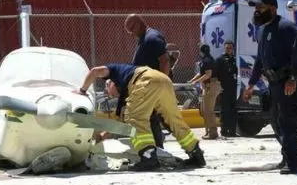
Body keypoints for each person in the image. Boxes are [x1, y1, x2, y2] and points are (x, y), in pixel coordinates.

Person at [77, 63, 206, 171]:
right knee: (172, 119)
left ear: (111, 83)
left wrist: (82, 91)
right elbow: (121, 123)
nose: (109, 94)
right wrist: (102, 136)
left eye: (108, 91)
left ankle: (148, 157)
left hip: (145, 80)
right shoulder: (126, 89)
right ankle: (195, 153)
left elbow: (94, 71)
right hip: (164, 80)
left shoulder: (115, 71)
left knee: (135, 118)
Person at [242, 0, 297, 175]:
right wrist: (251, 84)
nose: (256, 12)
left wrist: (293, 78)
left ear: (272, 9)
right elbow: (260, 59)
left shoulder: (286, 27)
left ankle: (293, 163)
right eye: (255, 8)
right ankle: (286, 156)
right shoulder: (262, 30)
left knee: (288, 120)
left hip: (288, 81)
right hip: (274, 83)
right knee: (276, 120)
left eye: (260, 8)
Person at [125, 14, 170, 149]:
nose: (131, 34)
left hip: (153, 88)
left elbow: (165, 61)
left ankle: (156, 150)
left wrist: (161, 85)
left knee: (152, 119)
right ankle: (156, 149)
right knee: (152, 119)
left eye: (131, 29)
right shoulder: (144, 38)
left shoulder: (152, 38)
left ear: (138, 24)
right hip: (147, 88)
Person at [189, 44, 221, 140]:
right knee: (204, 110)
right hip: (207, 86)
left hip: (211, 86)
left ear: (201, 52)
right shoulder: (206, 60)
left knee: (208, 110)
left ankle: (213, 132)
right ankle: (208, 131)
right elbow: (201, 73)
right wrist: (192, 80)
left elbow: (208, 74)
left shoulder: (207, 61)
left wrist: (196, 81)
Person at [216, 41, 239, 137]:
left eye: (230, 48)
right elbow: (216, 74)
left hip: (233, 88)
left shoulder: (235, 59)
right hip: (224, 88)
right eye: (227, 48)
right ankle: (224, 131)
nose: (228, 50)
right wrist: (219, 86)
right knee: (225, 110)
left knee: (233, 110)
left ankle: (233, 131)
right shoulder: (220, 59)